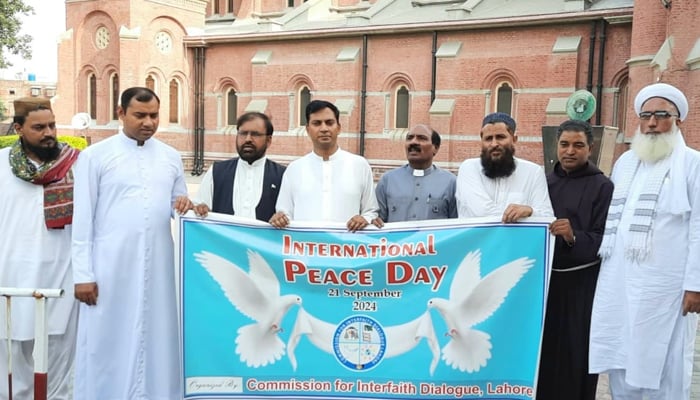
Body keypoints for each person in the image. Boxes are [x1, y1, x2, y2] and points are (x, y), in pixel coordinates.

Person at [71, 87, 193, 400]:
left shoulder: (169, 156)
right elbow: (83, 220)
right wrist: (83, 274)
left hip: (159, 267)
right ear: (121, 112)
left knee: (156, 335)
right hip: (110, 266)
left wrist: (185, 205)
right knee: (107, 337)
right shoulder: (95, 156)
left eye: (154, 115)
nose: (148, 122)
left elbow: (175, 203)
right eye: (140, 115)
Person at [589, 83, 700, 399]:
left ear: (678, 120)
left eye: (662, 115)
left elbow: (699, 227)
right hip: (619, 278)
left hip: (666, 284)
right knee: (621, 352)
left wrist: (695, 284)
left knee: (665, 360)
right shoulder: (626, 163)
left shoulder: (693, 164)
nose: (652, 123)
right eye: (646, 115)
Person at [0, 97, 79, 400]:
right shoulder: (2, 164)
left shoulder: (75, 163)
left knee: (59, 369)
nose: (49, 133)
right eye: (39, 127)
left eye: (52, 125)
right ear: (19, 128)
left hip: (62, 277)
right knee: (12, 370)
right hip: (10, 279)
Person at [536, 119, 613, 400]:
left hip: (582, 286)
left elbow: (606, 237)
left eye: (578, 145)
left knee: (575, 354)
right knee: (543, 353)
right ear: (556, 146)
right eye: (564, 144)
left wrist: (573, 236)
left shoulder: (603, 187)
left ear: (590, 149)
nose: (570, 151)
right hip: (545, 285)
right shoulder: (542, 183)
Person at [269, 100, 377, 231]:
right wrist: (279, 219)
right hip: (304, 247)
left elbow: (371, 212)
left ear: (339, 128)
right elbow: (284, 214)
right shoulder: (294, 169)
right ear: (308, 129)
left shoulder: (359, 165)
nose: (324, 128)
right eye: (317, 123)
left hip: (346, 249)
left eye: (329, 123)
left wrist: (364, 219)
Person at [455, 112, 553, 221]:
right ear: (481, 141)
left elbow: (547, 217)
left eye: (500, 137)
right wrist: (523, 216)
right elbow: (481, 212)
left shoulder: (533, 172)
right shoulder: (469, 168)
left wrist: (529, 211)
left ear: (514, 139)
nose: (494, 144)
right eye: (488, 139)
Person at [194, 112, 285, 221]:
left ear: (269, 140)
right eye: (243, 133)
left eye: (255, 134)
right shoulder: (217, 171)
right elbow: (198, 210)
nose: (248, 139)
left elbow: (289, 217)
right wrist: (199, 209)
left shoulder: (282, 175)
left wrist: (282, 219)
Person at [372, 124, 457, 226]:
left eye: (422, 138)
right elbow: (376, 221)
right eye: (409, 138)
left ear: (436, 148)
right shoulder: (388, 180)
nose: (413, 142)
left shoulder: (450, 182)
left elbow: (456, 227)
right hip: (396, 242)